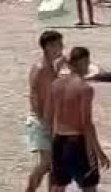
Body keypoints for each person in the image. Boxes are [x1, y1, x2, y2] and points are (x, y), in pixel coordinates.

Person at [46, 47, 110, 191]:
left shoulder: (56, 84)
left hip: (58, 140)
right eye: (87, 62)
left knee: (58, 185)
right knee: (88, 186)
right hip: (76, 141)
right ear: (82, 62)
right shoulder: (84, 88)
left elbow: (50, 115)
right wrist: (98, 152)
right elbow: (86, 123)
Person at [25, 31, 65, 192]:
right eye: (58, 45)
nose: (61, 48)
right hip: (42, 120)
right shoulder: (41, 69)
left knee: (55, 163)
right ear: (48, 47)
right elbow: (34, 96)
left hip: (52, 119)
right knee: (46, 163)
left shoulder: (51, 66)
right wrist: (44, 122)